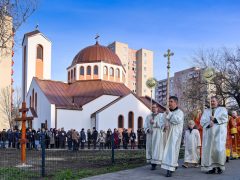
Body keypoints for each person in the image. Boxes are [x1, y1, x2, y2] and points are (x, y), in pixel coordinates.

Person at [200, 96, 228, 174]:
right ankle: (211, 168)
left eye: (213, 101)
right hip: (209, 134)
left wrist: (215, 120)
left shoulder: (222, 109)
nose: (212, 102)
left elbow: (225, 118)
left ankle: (219, 167)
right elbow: (202, 121)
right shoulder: (206, 111)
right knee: (210, 151)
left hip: (219, 134)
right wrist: (208, 124)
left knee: (218, 150)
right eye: (211, 101)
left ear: (217, 102)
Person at [161, 96, 184, 177]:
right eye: (169, 101)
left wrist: (169, 113)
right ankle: (173, 165)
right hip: (166, 134)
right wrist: (164, 126)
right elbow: (162, 122)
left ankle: (169, 169)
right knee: (167, 151)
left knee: (172, 151)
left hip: (174, 135)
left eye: (171, 101)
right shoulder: (165, 113)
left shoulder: (180, 112)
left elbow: (177, 120)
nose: (169, 103)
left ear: (176, 103)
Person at [144, 103, 165, 171]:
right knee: (150, 148)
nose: (153, 108)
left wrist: (155, 123)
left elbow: (163, 124)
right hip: (150, 135)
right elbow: (145, 124)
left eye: (154, 107)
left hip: (158, 135)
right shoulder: (148, 116)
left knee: (157, 149)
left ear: (157, 108)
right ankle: (152, 164)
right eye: (152, 107)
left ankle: (157, 162)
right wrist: (147, 130)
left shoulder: (161, 115)